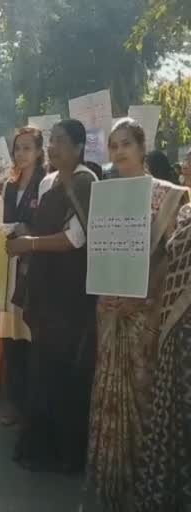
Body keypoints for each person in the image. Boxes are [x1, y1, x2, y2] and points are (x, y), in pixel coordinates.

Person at [87, 118, 188, 511]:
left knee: (142, 393)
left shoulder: (170, 197)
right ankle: (110, 484)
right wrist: (107, 290)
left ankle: (141, 489)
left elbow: (171, 258)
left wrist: (141, 295)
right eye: (112, 146)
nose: (118, 152)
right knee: (107, 391)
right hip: (109, 309)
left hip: (145, 310)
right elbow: (101, 255)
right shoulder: (106, 196)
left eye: (126, 143)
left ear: (143, 146)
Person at [6, 119, 98, 474]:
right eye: (53, 140)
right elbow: (44, 226)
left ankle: (67, 452)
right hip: (44, 290)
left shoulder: (86, 182)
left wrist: (30, 244)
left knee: (66, 371)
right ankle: (39, 448)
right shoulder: (48, 182)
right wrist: (21, 232)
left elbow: (76, 238)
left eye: (61, 141)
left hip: (69, 294)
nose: (55, 147)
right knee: (42, 368)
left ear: (78, 147)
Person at [135, 203, 191, 511]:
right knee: (175, 422)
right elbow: (168, 269)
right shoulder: (186, 215)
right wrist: (153, 325)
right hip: (178, 335)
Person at [0, 127, 46, 437]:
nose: (21, 153)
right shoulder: (9, 186)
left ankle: (34, 407)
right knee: (11, 339)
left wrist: (27, 232)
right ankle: (14, 403)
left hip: (37, 269)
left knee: (33, 339)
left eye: (27, 148)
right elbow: (1, 226)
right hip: (10, 267)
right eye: (17, 148)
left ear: (40, 152)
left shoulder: (48, 183)